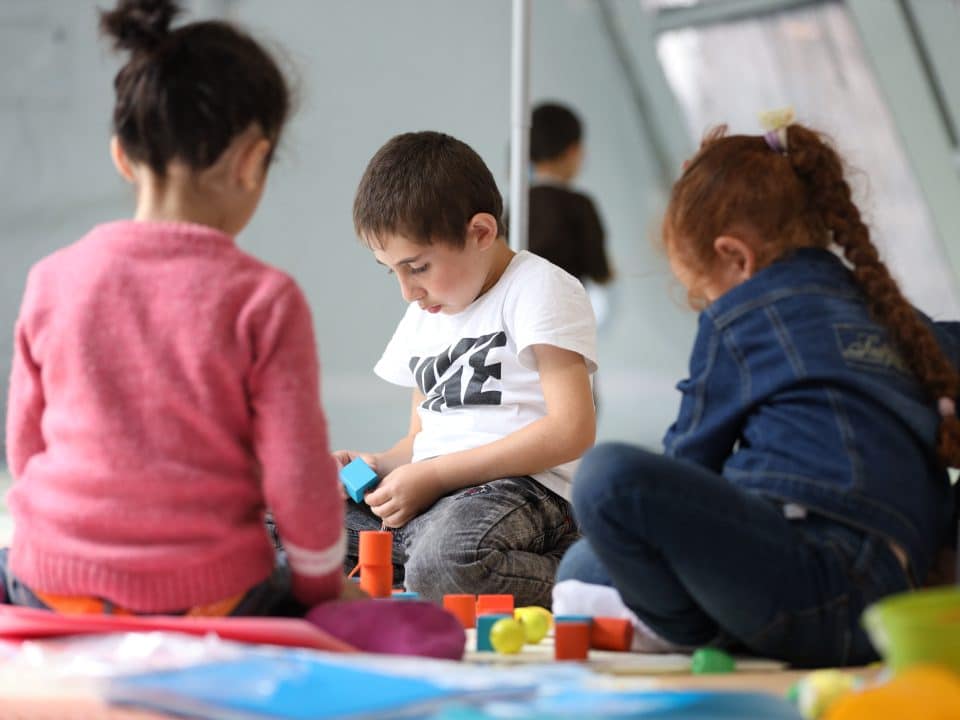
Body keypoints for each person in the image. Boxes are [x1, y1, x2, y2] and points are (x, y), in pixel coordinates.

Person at [555, 114, 960, 667]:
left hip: (803, 588)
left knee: (601, 490)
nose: (707, 306)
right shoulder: (901, 320)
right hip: (903, 603)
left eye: (704, 292)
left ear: (736, 257)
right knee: (585, 567)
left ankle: (709, 633)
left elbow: (688, 463)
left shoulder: (743, 316)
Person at [1, 0, 345, 616]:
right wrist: (320, 589)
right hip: (208, 596)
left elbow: (25, 449)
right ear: (251, 161)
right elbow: (297, 475)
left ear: (122, 156)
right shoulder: (265, 298)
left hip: (53, 587)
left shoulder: (51, 279)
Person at [337, 131, 598, 606]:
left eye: (417, 267)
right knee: (279, 523)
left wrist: (437, 476)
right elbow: (420, 439)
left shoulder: (539, 288)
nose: (407, 292)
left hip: (522, 492)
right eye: (392, 271)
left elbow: (572, 430)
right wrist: (376, 464)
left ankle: (588, 576)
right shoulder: (424, 314)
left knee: (447, 561)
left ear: (480, 233)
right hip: (436, 505)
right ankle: (416, 573)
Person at [528, 102, 613, 314]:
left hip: (524, 312)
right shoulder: (580, 205)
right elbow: (599, 271)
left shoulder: (517, 205)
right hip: (564, 311)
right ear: (574, 151)